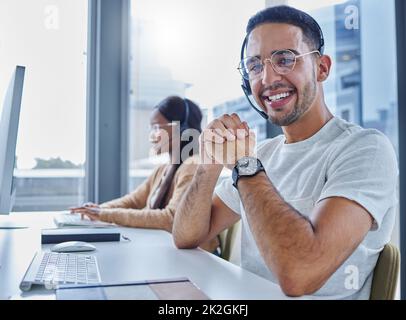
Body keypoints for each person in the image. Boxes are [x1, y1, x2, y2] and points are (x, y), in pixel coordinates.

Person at [172, 6, 398, 299]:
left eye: (285, 59)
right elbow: (187, 236)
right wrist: (209, 163)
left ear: (322, 68)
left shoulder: (365, 149)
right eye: (254, 65)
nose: (267, 78)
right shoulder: (263, 154)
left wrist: (245, 166)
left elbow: (299, 275)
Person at [71, 96, 220, 254]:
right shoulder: (164, 169)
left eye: (157, 128)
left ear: (181, 129)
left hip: (198, 257)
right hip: (172, 252)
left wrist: (104, 214)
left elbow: (170, 218)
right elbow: (134, 200)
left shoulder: (192, 166)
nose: (152, 135)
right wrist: (97, 210)